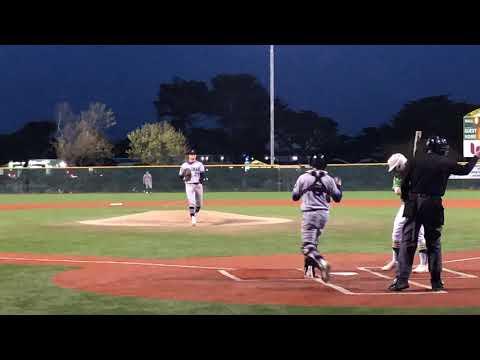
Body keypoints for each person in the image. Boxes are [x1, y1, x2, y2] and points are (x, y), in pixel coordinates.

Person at [389, 136, 480, 291]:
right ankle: (436, 283)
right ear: (441, 149)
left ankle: (401, 281)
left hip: (413, 203)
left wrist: (407, 200)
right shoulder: (445, 162)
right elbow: (465, 170)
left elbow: (404, 182)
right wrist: (476, 157)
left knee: (407, 242)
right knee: (434, 244)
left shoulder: (415, 159)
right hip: (433, 204)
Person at [291, 154, 343, 282]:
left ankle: (322, 263)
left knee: (307, 247)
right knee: (313, 243)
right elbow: (337, 198)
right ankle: (309, 270)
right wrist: (338, 185)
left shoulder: (303, 177)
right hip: (323, 215)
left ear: (311, 164)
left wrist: (306, 190)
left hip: (309, 214)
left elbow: (295, 197)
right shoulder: (329, 179)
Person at [381, 153, 428, 273]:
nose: (395, 171)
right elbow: (398, 191)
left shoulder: (416, 172)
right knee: (396, 232)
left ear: (401, 164)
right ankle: (395, 261)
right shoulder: (398, 175)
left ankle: (424, 263)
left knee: (419, 234)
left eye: (396, 167)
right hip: (406, 205)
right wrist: (401, 188)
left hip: (419, 204)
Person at [179, 149, 206, 226]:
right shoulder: (184, 165)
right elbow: (180, 175)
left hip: (198, 185)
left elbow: (202, 175)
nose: (193, 156)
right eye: (191, 154)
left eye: (194, 154)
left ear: (195, 155)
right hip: (189, 185)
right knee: (192, 202)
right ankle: (193, 218)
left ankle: (195, 213)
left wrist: (200, 181)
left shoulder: (200, 164)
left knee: (199, 204)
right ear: (189, 156)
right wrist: (184, 178)